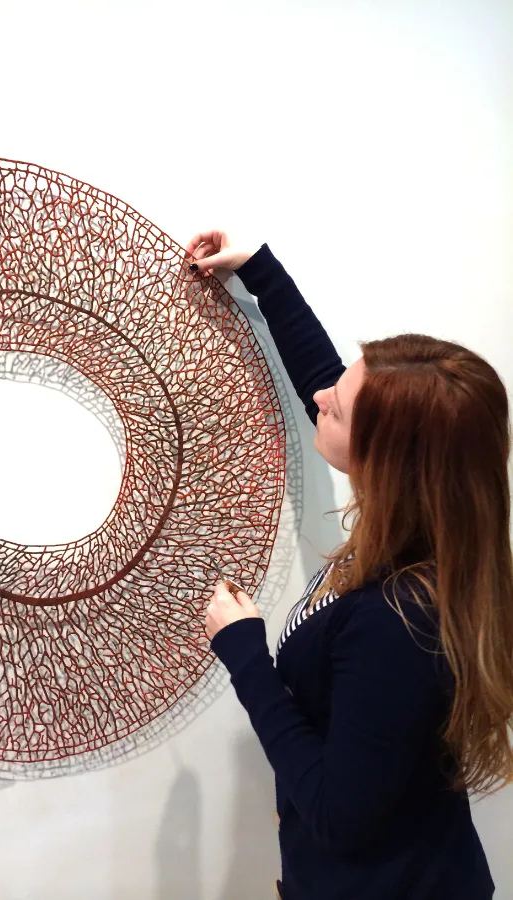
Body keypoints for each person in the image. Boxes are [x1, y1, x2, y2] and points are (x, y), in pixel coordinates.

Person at [188, 231, 513, 900]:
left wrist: (245, 652)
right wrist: (258, 274)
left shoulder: (400, 621)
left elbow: (339, 816)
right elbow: (324, 379)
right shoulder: (433, 540)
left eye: (340, 402)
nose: (322, 396)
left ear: (386, 462)